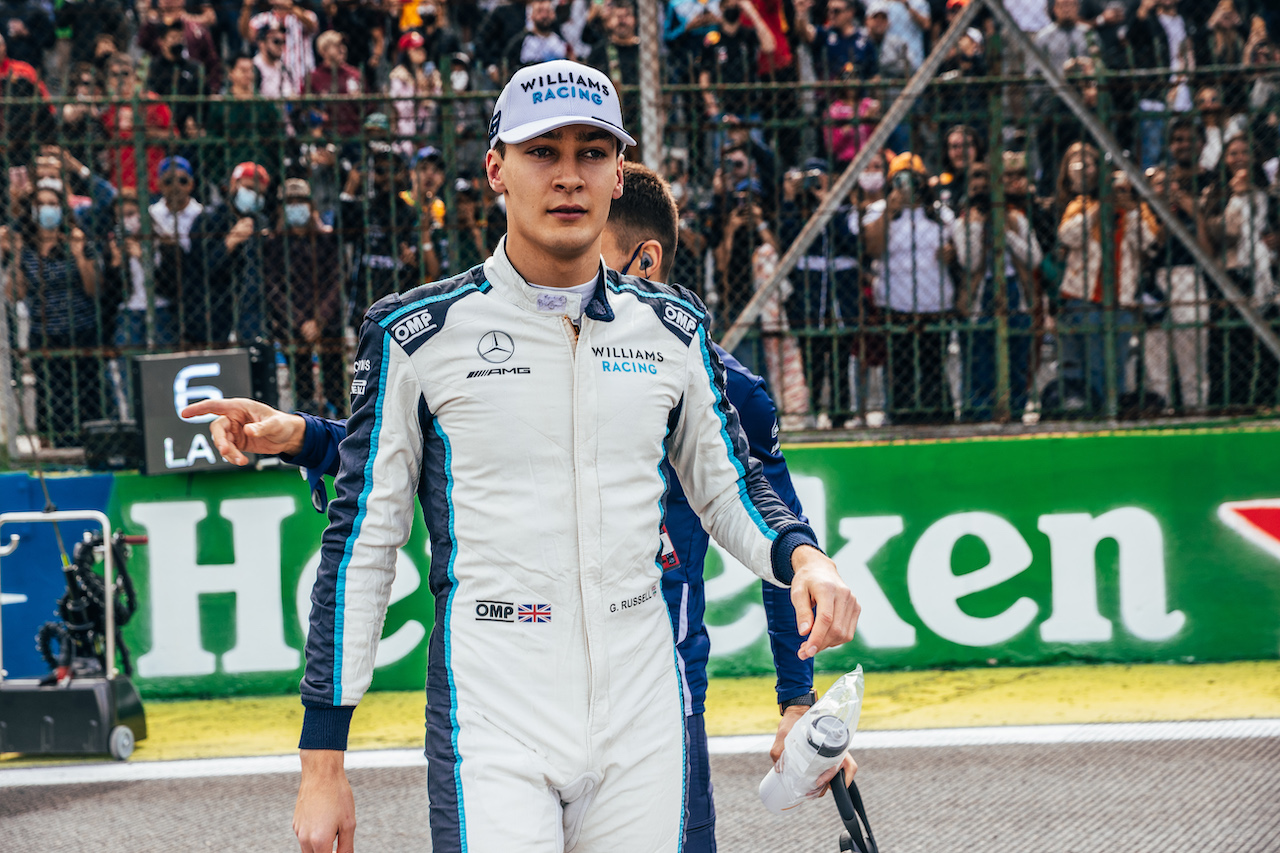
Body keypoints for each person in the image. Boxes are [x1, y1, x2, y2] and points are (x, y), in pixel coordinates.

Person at [187, 159, 848, 853]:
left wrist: (797, 699)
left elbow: (771, 533)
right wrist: (306, 436)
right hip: (509, 680)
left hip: (660, 694)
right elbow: (460, 452)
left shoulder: (713, 376)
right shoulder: (461, 333)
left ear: (640, 256)